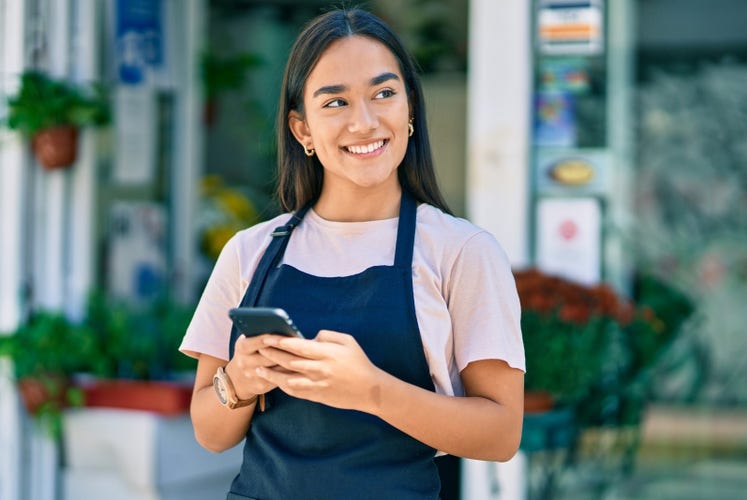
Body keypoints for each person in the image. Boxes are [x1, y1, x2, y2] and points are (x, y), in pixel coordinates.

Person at [180, 7, 525, 500]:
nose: (364, 122)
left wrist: (370, 391)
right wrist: (240, 378)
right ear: (302, 131)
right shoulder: (249, 252)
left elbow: (501, 434)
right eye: (335, 102)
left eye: (384, 94)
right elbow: (210, 433)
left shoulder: (462, 252)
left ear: (409, 110)